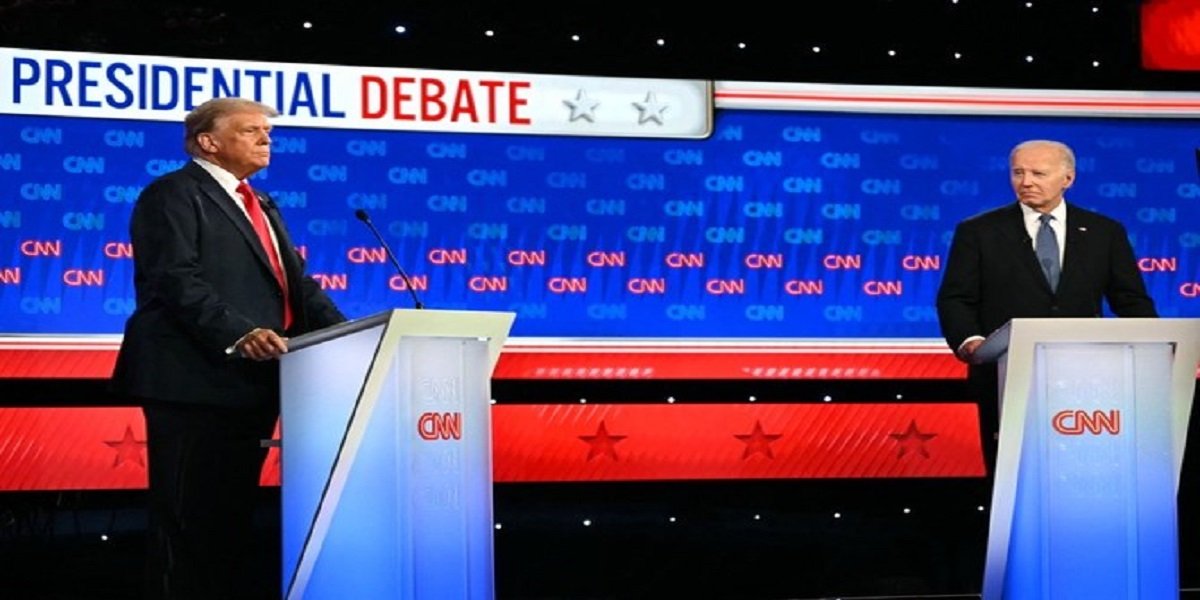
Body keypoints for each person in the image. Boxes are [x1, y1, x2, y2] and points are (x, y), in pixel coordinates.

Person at [110, 97, 346, 599]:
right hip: (192, 380)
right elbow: (175, 278)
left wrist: (353, 334)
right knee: (188, 521)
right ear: (208, 142)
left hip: (252, 382)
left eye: (268, 131)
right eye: (250, 130)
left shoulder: (262, 203)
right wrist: (239, 333)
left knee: (228, 521)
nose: (266, 139)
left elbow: (296, 287)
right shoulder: (172, 194)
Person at [936, 139, 1157, 473]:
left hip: (1087, 377)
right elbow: (956, 298)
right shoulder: (978, 231)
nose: (1025, 182)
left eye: (1038, 173)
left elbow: (1131, 300)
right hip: (1005, 375)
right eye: (1018, 173)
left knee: (1081, 469)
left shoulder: (1104, 232)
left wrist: (1154, 351)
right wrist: (971, 342)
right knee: (1010, 473)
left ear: (1068, 178)